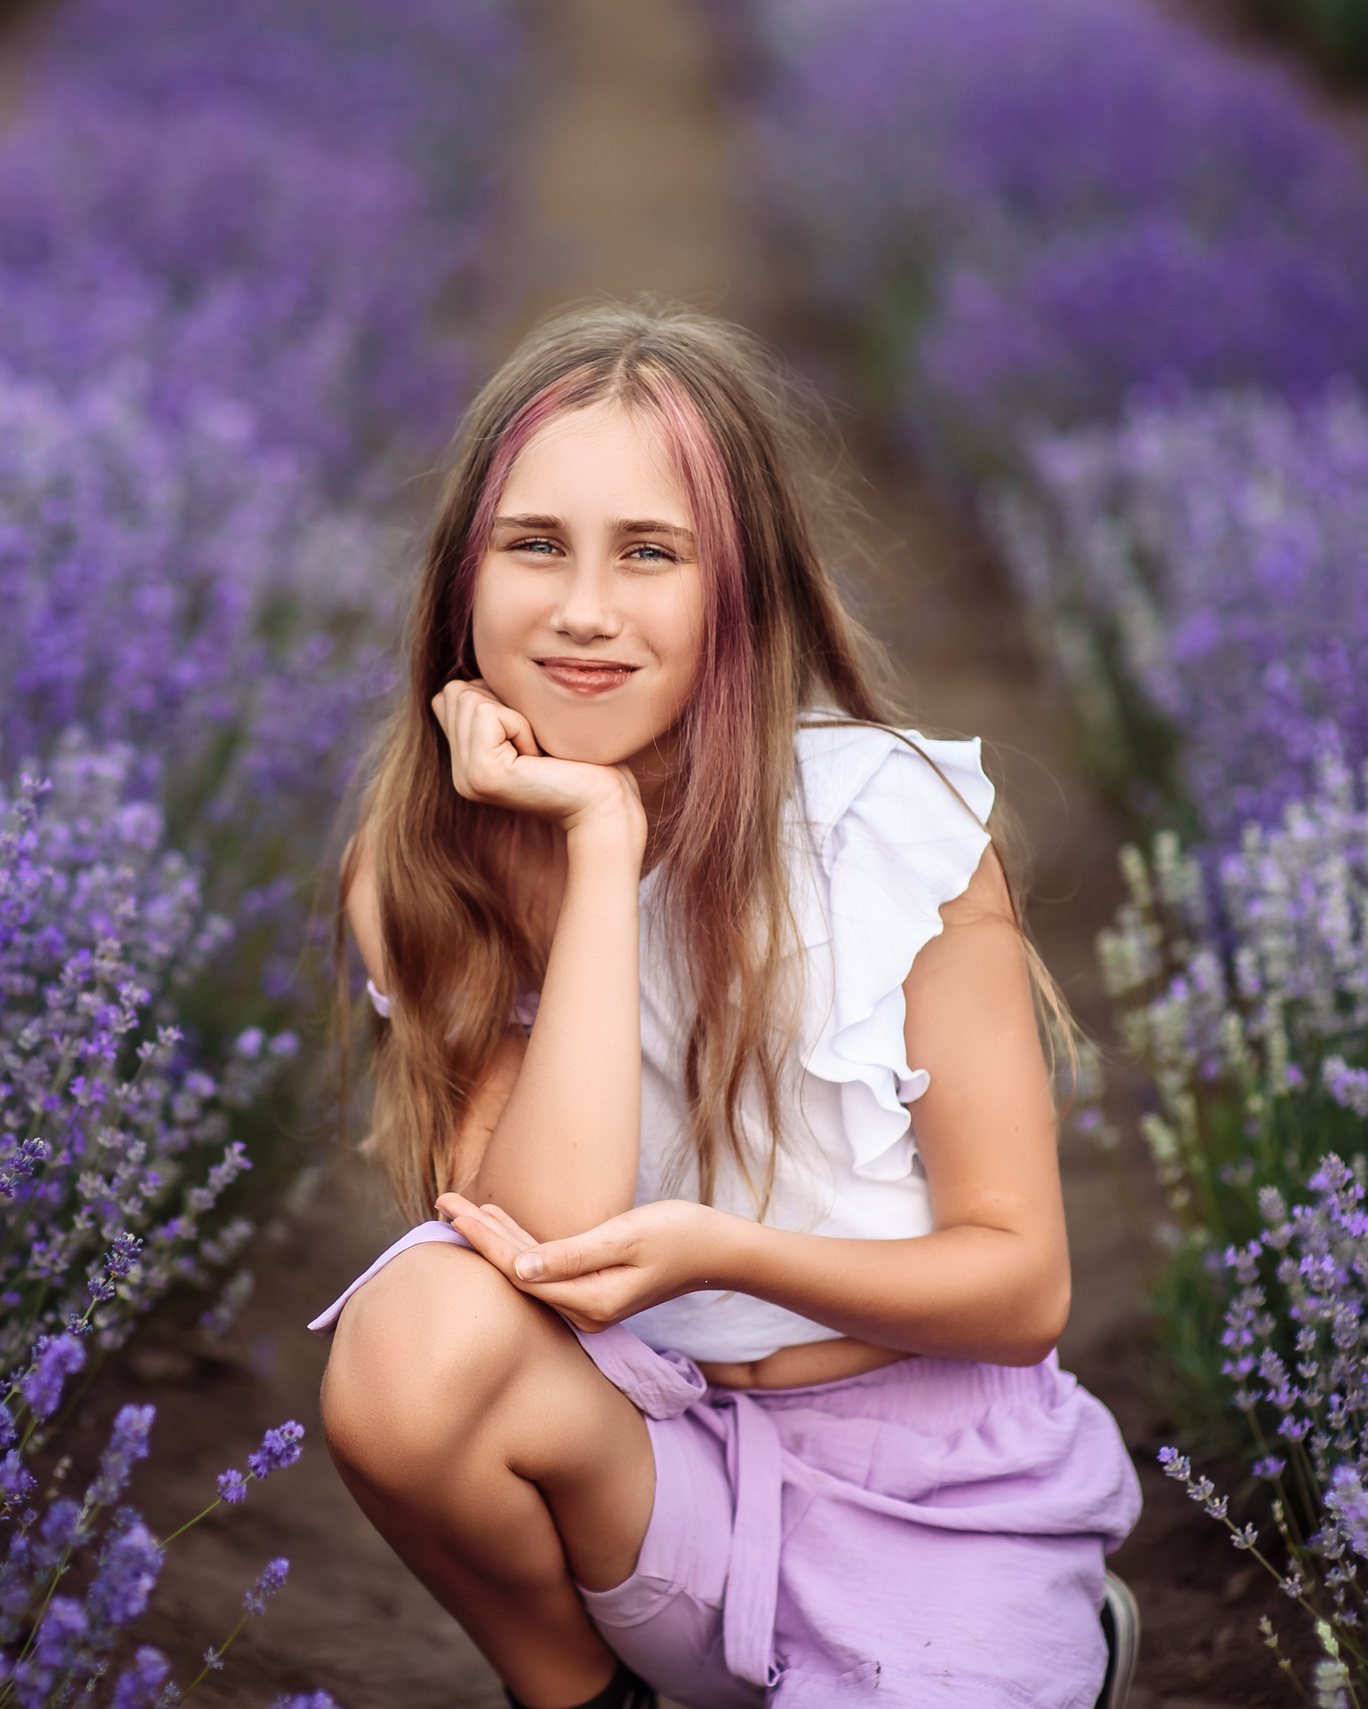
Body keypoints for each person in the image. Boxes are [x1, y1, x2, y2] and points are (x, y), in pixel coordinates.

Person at [312, 302, 1140, 1708]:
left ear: (737, 593)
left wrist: (720, 1250)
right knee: (412, 1337)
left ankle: (1070, 1636)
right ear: (463, 580)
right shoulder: (435, 863)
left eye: (650, 553)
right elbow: (535, 1243)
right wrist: (594, 847)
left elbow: (1021, 1285)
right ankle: (584, 1694)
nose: (583, 609)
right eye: (535, 545)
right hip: (664, 1479)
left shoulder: (892, 829)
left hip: (939, 1506)